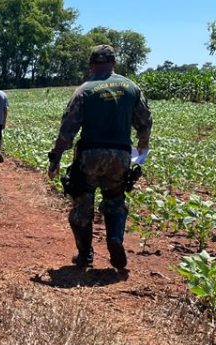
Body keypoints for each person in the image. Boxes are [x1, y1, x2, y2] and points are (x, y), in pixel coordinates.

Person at [47, 45, 152, 271]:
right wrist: (142, 148)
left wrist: (55, 158)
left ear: (91, 65)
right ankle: (115, 238)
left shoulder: (84, 90)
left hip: (90, 156)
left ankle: (85, 256)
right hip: (121, 155)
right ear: (114, 63)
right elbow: (144, 122)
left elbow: (68, 130)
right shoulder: (132, 88)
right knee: (115, 200)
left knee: (82, 206)